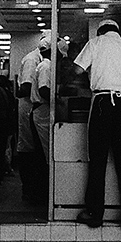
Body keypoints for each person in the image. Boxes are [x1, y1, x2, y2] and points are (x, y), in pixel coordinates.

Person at [73, 19, 121, 229]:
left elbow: (77, 70)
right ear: (117, 31)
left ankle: (95, 213)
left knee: (97, 160)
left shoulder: (95, 43)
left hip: (102, 102)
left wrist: (88, 77)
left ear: (101, 31)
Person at [29, 38, 68, 201]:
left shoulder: (47, 65)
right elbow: (44, 90)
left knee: (44, 153)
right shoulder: (46, 66)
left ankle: (43, 193)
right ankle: (43, 194)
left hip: (43, 112)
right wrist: (58, 100)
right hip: (42, 113)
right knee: (44, 154)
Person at [17, 30, 50, 202]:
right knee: (29, 148)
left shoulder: (42, 60)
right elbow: (25, 87)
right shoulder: (32, 59)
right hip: (29, 107)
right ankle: (29, 189)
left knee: (36, 149)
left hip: (34, 107)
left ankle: (34, 188)